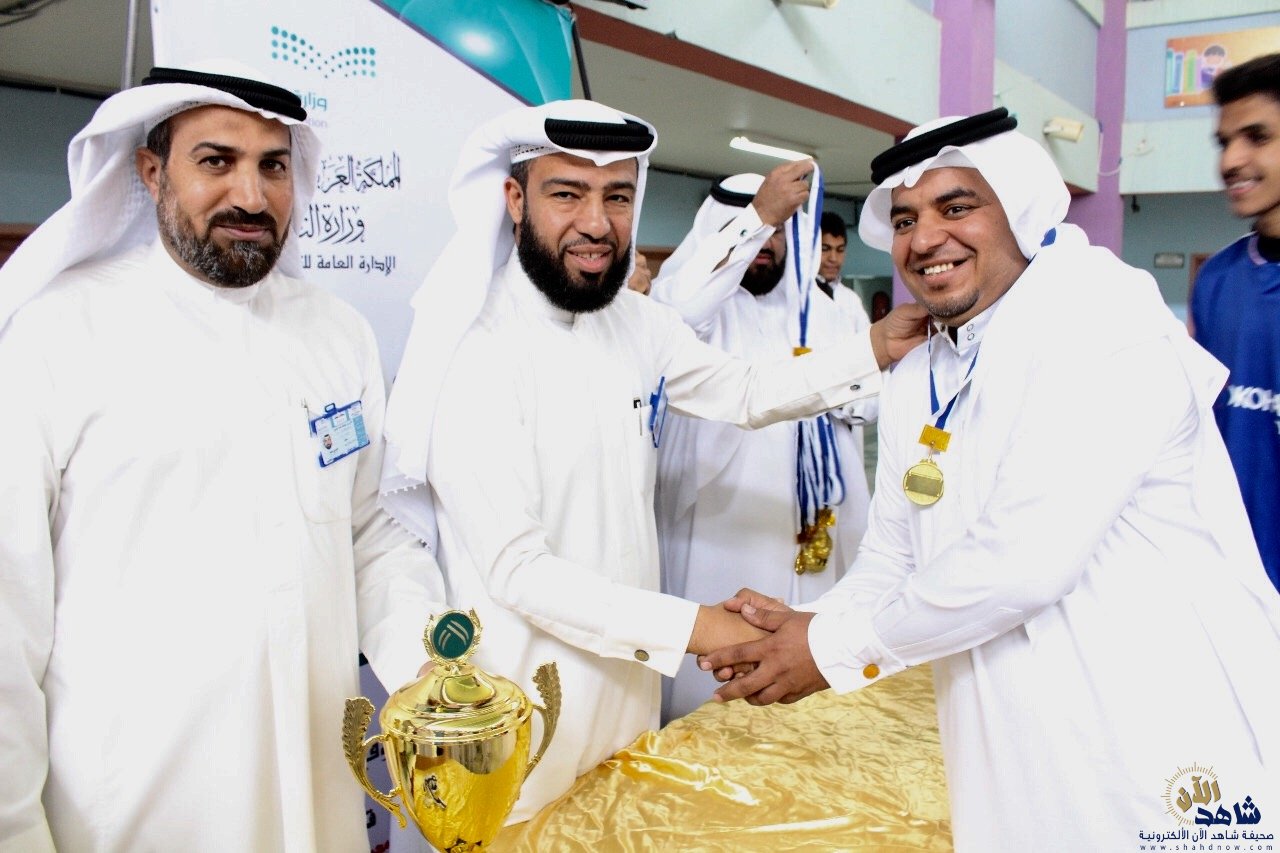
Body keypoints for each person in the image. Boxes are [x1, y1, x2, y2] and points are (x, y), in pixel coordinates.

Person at [702, 108, 1280, 852]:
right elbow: (894, 554)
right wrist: (809, 624)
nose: (924, 239)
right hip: (1004, 725)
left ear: (1021, 209)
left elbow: (1024, 562)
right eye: (905, 219)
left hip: (1152, 723)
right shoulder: (923, 367)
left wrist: (830, 648)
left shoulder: (1103, 325)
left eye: (956, 207)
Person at [378, 100, 929, 823]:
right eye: (567, 193)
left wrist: (877, 346)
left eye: (617, 196)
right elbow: (518, 569)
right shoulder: (474, 350)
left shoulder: (634, 322)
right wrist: (705, 629)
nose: (597, 223)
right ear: (514, 199)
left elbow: (744, 390)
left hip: (628, 701)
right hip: (516, 713)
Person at [0, 63, 444, 852]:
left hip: (317, 781)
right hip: (138, 802)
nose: (251, 195)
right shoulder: (58, 335)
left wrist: (425, 663)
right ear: (151, 172)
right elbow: (9, 611)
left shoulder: (337, 333)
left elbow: (369, 531)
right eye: (216, 161)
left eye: (273, 166)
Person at [650, 165, 876, 721]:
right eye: (755, 229)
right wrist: (759, 217)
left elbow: (871, 401)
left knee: (810, 672)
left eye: (778, 232)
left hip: (815, 518)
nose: (766, 244)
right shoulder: (700, 312)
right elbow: (678, 307)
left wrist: (838, 399)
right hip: (722, 521)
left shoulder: (825, 311)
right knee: (716, 682)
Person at [1191, 52, 1280, 594]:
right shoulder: (1217, 279)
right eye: (1224, 142)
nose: (1231, 160)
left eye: (1257, 137)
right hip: (1227, 587)